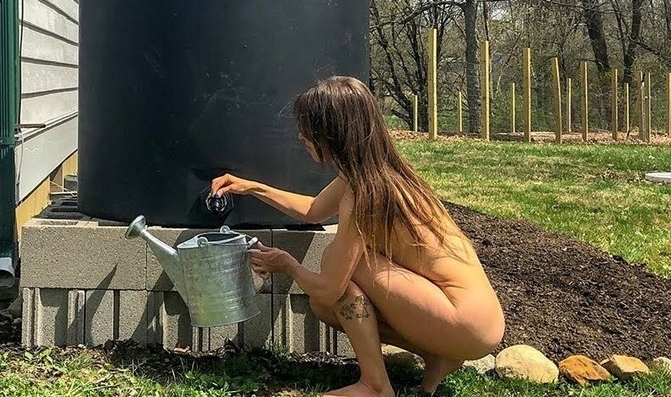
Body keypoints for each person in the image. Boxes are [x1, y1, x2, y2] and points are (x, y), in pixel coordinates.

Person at [210, 76, 505, 397]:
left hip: (463, 319)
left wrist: (287, 265)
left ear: (330, 133)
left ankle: (375, 385)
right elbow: (313, 210)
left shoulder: (365, 192)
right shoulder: (377, 172)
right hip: (480, 321)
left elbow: (331, 287)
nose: (300, 136)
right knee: (324, 303)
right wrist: (252, 187)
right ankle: (437, 356)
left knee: (336, 268)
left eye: (308, 128)